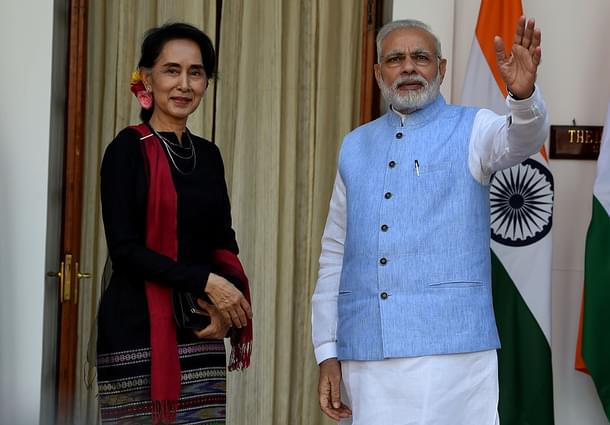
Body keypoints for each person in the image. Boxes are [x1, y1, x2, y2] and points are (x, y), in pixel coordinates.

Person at [311, 17, 547, 425]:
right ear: (377, 72)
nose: (407, 68)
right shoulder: (355, 145)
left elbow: (522, 140)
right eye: (395, 59)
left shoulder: (473, 127)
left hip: (451, 354)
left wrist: (522, 97)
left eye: (420, 57)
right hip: (366, 352)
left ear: (441, 68)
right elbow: (335, 251)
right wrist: (327, 350)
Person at [97, 22, 253, 424]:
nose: (184, 84)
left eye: (196, 72)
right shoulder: (126, 150)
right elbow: (126, 251)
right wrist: (207, 283)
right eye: (171, 70)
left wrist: (223, 309)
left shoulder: (208, 155)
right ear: (146, 78)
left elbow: (223, 242)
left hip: (199, 329)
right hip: (136, 332)